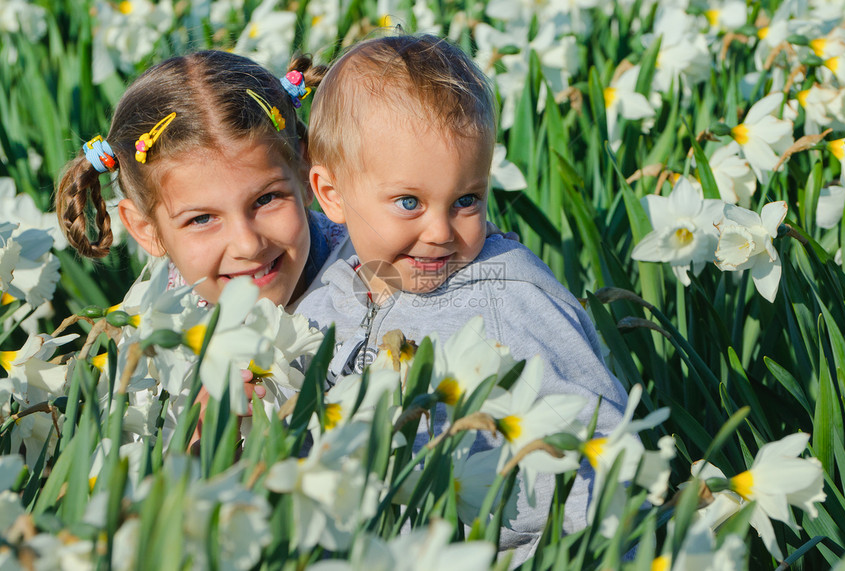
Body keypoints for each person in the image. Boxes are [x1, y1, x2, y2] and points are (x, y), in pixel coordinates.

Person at [290, 34, 629, 564]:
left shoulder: (513, 304)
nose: (440, 231)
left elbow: (601, 454)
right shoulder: (332, 289)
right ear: (332, 195)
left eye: (466, 200)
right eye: (409, 202)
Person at [53, 49, 341, 433]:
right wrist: (204, 440)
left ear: (304, 172)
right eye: (202, 218)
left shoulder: (368, 274)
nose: (247, 244)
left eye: (266, 199)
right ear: (146, 231)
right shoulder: (159, 342)